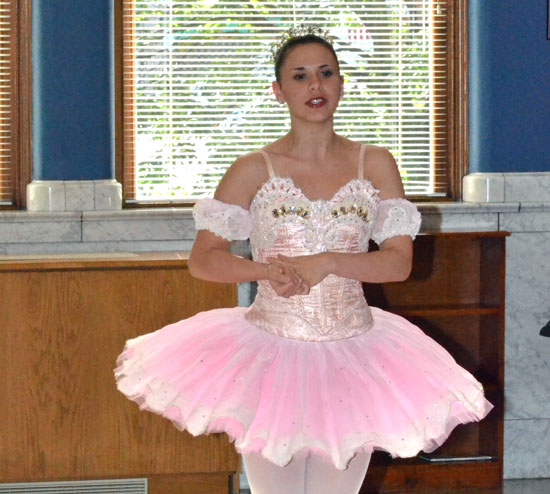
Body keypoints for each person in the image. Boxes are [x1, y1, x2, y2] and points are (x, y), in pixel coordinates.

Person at [115, 26, 492, 494]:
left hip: (355, 353)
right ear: (279, 91)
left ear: (340, 84)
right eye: (300, 76)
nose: (315, 86)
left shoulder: (373, 163)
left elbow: (397, 263)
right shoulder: (253, 168)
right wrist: (265, 271)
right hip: (269, 354)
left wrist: (330, 261)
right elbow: (204, 259)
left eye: (325, 73)